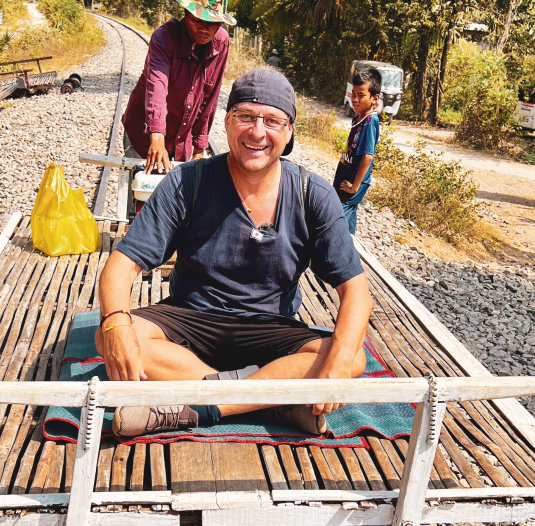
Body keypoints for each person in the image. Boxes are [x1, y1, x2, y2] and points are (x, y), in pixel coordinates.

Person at [96, 67, 373, 438]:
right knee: (110, 335)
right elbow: (120, 265)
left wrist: (337, 364)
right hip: (191, 320)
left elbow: (356, 292)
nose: (257, 132)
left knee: (351, 356)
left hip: (270, 329)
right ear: (226, 123)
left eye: (272, 121)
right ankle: (273, 399)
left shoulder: (313, 195)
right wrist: (116, 322)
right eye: (245, 116)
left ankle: (200, 407)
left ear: (289, 132)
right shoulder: (188, 182)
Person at [121, 0, 234, 174]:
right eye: (197, 20)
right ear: (186, 14)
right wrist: (157, 135)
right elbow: (157, 86)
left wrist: (199, 148)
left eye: (212, 23)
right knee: (142, 188)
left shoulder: (221, 43)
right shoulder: (164, 38)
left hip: (181, 139)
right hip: (144, 135)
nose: (204, 28)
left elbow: (210, 97)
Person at [334, 66, 382, 235]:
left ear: (374, 98)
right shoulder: (359, 117)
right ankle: (351, 246)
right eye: (353, 94)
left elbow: (367, 157)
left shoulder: (369, 121)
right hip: (345, 177)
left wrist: (355, 187)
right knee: (348, 222)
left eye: (361, 96)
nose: (355, 99)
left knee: (335, 221)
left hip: (352, 184)